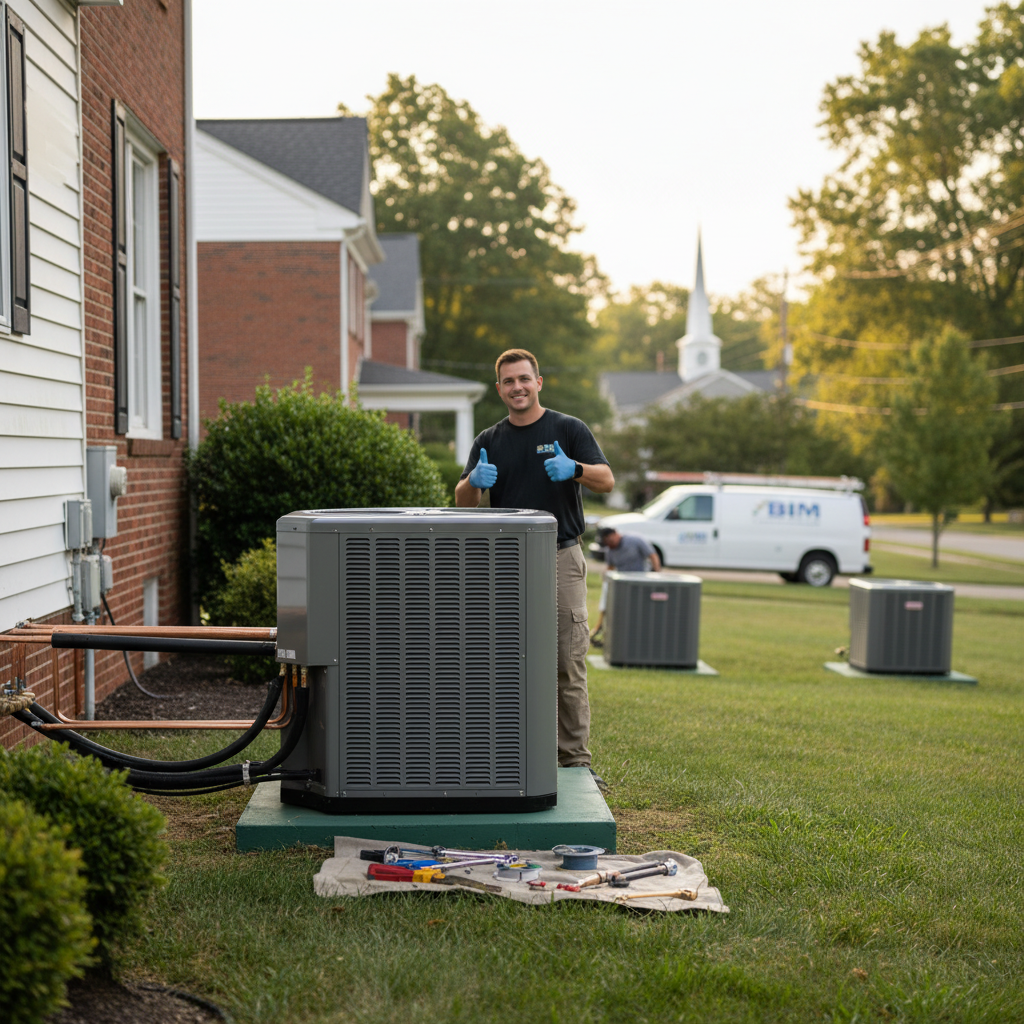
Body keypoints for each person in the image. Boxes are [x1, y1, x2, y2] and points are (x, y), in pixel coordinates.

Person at [455, 348, 614, 785]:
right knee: (502, 662)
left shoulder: (567, 429)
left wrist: (575, 468)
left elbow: (606, 479)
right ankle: (506, 754)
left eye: (524, 379)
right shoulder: (489, 440)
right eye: (509, 381)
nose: (518, 387)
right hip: (505, 565)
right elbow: (461, 501)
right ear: (499, 389)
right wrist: (472, 483)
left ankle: (575, 762)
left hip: (561, 556)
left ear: (538, 382)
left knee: (567, 661)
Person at [589, 527, 662, 644]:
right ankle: (603, 630)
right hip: (623, 584)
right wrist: (605, 576)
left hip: (641, 581)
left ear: (615, 534)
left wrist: (657, 575)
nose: (609, 545)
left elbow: (653, 555)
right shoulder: (610, 550)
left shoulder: (635, 540)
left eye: (609, 541)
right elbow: (610, 567)